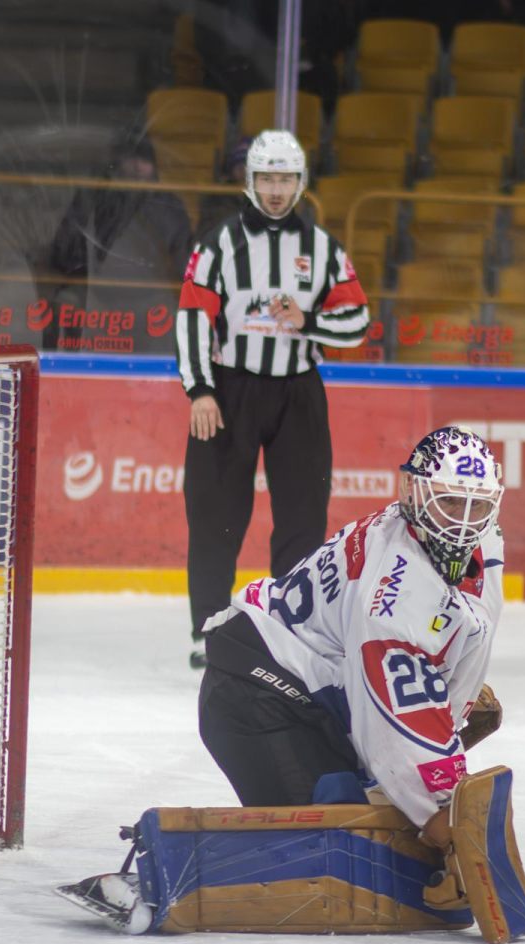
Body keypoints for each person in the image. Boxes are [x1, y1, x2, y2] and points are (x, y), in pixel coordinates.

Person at [197, 426, 506, 849]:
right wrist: (441, 809)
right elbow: (396, 730)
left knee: (376, 835)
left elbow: (460, 626)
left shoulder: (473, 534)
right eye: (449, 501)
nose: (463, 522)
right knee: (334, 851)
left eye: (477, 505)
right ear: (412, 492)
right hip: (257, 698)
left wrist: (454, 693)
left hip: (310, 690)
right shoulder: (394, 599)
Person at [177, 129, 371, 670]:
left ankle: (292, 627)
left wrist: (308, 322)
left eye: (286, 179)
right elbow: (192, 317)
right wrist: (200, 390)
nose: (277, 190)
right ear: (250, 180)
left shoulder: (323, 248)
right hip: (229, 390)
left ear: (301, 182)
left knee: (303, 514)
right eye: (267, 178)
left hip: (298, 392)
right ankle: (209, 627)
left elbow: (357, 321)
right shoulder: (218, 244)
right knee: (215, 513)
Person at [44, 134, 192, 350]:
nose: (137, 167)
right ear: (117, 163)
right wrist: (75, 280)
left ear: (154, 166)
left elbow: (183, 260)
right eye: (131, 159)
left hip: (153, 302)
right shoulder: (95, 198)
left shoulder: (168, 205)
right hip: (96, 300)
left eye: (144, 160)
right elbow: (66, 247)